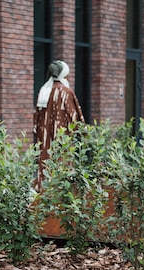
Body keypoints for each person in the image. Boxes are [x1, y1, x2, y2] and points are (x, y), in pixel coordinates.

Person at [34, 60, 85, 191]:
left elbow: (36, 119)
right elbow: (75, 120)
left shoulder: (43, 91)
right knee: (62, 168)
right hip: (62, 141)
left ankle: (43, 193)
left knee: (45, 166)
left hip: (44, 140)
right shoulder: (66, 92)